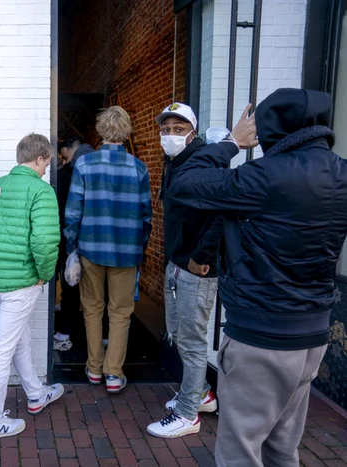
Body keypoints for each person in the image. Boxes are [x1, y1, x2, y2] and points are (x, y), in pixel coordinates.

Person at [170, 89, 347, 466]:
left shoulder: (263, 178)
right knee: (283, 445)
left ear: (268, 128)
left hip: (262, 334)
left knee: (240, 449)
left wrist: (233, 142)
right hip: (313, 334)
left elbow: (184, 183)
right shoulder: (341, 173)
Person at [0, 133, 64, 440]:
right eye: (47, 161)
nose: (48, 167)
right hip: (21, 284)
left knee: (20, 339)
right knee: (2, 350)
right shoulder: (41, 191)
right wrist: (44, 275)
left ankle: (35, 394)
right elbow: (45, 243)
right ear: (39, 159)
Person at [146, 103, 234, 438]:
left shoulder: (202, 161)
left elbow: (220, 214)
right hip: (178, 262)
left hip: (196, 268)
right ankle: (199, 396)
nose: (170, 134)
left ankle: (187, 415)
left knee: (193, 341)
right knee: (179, 334)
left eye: (178, 129)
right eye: (166, 128)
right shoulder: (176, 162)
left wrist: (201, 255)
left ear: (193, 133)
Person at [65, 106, 152, 394]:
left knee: (92, 309)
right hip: (127, 251)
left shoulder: (84, 165)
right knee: (121, 312)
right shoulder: (138, 168)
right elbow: (146, 215)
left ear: (101, 131)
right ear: (126, 132)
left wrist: (71, 247)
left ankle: (93, 368)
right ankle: (113, 374)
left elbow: (73, 213)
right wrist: (140, 247)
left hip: (90, 248)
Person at [54, 137, 83, 351]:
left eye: (66, 157)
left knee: (70, 286)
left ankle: (64, 331)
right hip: (84, 238)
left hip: (68, 237)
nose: (64, 162)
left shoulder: (66, 176)